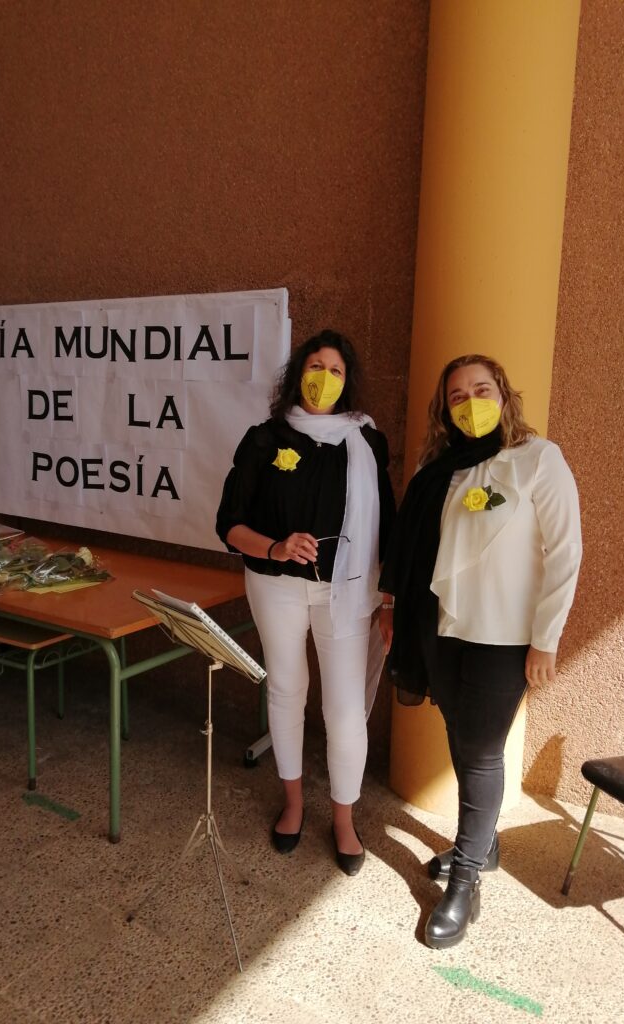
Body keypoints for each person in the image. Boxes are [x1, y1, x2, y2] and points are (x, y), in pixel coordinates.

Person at [379, 354, 582, 947]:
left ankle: (465, 882)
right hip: (441, 628)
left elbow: (565, 552)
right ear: (445, 410)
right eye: (458, 396)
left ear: (504, 395)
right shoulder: (440, 470)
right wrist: (393, 606)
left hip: (504, 635)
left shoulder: (538, 459)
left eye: (482, 390)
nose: (471, 403)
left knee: (483, 750)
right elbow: (410, 549)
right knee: (459, 734)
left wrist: (546, 639)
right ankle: (483, 844)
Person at [216, 330, 395, 875]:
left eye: (336, 370)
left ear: (348, 382)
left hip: (346, 590)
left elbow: (387, 526)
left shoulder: (366, 442)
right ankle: (293, 803)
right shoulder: (265, 439)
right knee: (287, 689)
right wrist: (275, 546)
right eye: (315, 366)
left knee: (344, 710)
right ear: (298, 375)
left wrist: (389, 602)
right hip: (275, 586)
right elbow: (229, 525)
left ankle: (344, 818)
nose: (324, 378)